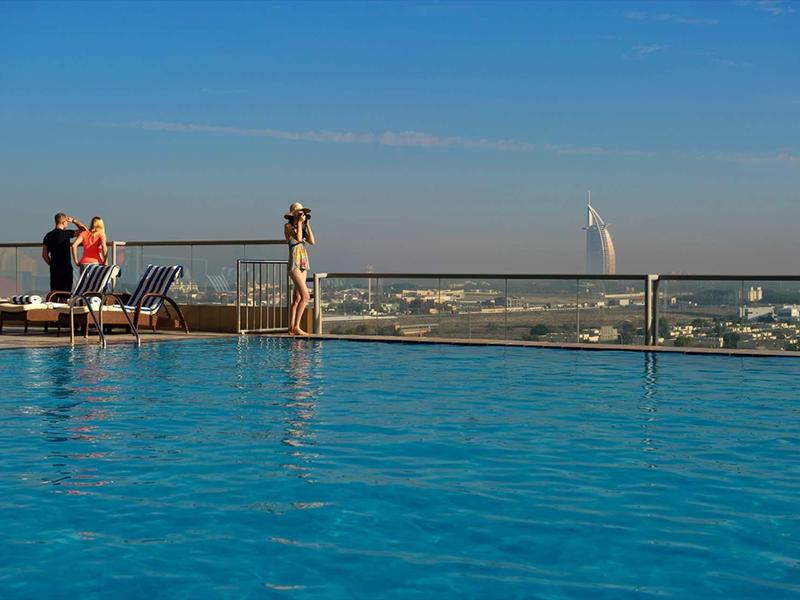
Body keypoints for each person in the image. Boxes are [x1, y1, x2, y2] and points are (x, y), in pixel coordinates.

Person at [284, 202, 316, 335]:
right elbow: (297, 238)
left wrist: (307, 225)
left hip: (303, 262)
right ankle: (297, 326)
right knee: (306, 296)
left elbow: (312, 241)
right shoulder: (288, 226)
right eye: (300, 213)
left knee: (297, 297)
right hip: (295, 263)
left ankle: (291, 327)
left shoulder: (301, 227)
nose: (302, 215)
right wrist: (298, 222)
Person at [42, 213, 87, 293]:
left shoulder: (48, 236)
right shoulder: (66, 233)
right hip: (66, 268)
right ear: (63, 222)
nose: (67, 223)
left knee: (55, 293)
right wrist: (74, 221)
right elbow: (85, 231)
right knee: (65, 294)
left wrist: (52, 264)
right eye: (67, 222)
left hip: (54, 269)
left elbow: (44, 255)